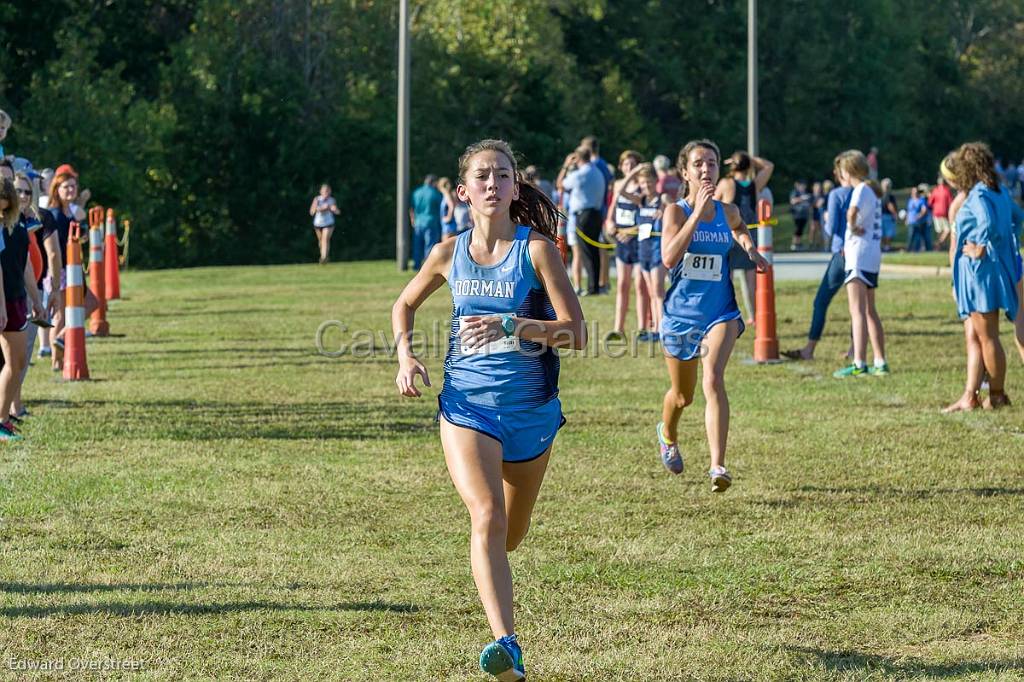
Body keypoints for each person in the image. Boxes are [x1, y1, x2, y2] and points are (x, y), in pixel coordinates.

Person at [392, 139, 585, 681]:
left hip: (531, 412)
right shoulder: (448, 253)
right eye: (482, 176)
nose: (492, 184)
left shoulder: (538, 250)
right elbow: (403, 303)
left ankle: (491, 566)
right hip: (466, 406)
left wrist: (513, 326)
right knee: (487, 515)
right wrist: (406, 355)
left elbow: (577, 332)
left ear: (515, 187)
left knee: (509, 532)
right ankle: (507, 645)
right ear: (463, 191)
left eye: (502, 175)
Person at [656, 139, 769, 491]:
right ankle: (667, 432)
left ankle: (718, 466)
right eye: (699, 164)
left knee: (713, 379)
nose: (706, 170)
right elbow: (669, 258)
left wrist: (750, 249)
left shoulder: (728, 210)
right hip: (679, 316)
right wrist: (695, 213)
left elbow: (739, 228)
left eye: (712, 163)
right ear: (685, 172)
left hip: (720, 311)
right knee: (682, 396)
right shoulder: (675, 212)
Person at [944, 142, 1018, 410]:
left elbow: (986, 222)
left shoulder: (978, 195)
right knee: (984, 335)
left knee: (988, 336)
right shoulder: (999, 191)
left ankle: (997, 395)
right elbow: (1017, 217)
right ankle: (974, 395)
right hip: (986, 271)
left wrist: (981, 247)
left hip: (978, 273)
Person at [783, 156, 854, 361]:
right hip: (861, 255)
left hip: (841, 254)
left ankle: (809, 349)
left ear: (841, 173)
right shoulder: (864, 192)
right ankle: (855, 349)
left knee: (821, 301)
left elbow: (830, 229)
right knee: (857, 307)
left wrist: (824, 218)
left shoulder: (837, 194)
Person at [833, 150, 888, 377]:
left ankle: (859, 362)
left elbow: (852, 212)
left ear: (848, 171)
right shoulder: (872, 191)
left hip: (858, 255)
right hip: (872, 255)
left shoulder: (860, 190)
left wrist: (853, 227)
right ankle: (880, 361)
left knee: (857, 311)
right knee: (869, 311)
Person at [0, 177, 44, 440]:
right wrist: (1, 305)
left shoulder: (19, 226)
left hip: (16, 299)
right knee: (10, 363)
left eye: (5, 208)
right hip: (3, 301)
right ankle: (1, 419)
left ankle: (4, 418)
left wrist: (36, 299)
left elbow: (25, 264)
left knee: (17, 364)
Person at [12, 172, 55, 419]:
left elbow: (31, 263)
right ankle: (10, 409)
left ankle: (13, 406)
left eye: (28, 191)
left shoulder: (32, 221)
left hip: (30, 293)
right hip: (12, 296)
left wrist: (40, 298)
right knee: (14, 357)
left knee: (22, 355)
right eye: (18, 191)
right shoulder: (10, 224)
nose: (24, 196)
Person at [47, 167, 98, 371]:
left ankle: (62, 339)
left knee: (91, 303)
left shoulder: (70, 212)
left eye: (73, 186)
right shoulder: (55, 214)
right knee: (60, 315)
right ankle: (56, 359)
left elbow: (72, 237)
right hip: (60, 270)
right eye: (65, 186)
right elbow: (53, 247)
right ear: (56, 189)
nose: (70, 190)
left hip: (73, 269)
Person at [715, 151, 773, 325]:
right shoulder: (755, 184)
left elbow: (712, 203)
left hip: (729, 234)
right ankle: (754, 316)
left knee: (727, 279)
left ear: (732, 166)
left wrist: (736, 160)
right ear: (748, 166)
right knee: (750, 282)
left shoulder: (726, 183)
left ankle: (725, 315)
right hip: (749, 235)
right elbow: (769, 165)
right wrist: (750, 159)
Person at [604, 151, 650, 339]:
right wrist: (611, 224)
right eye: (626, 165)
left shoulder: (643, 187)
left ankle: (642, 327)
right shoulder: (617, 185)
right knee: (622, 284)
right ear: (621, 166)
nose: (629, 168)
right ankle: (618, 328)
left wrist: (630, 232)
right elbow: (612, 209)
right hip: (621, 240)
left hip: (637, 238)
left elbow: (644, 210)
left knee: (640, 285)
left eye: (633, 165)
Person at [556, 146, 605, 296]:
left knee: (586, 252)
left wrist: (565, 165)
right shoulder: (597, 171)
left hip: (583, 215)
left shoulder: (580, 174)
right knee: (593, 251)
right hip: (596, 213)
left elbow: (560, 184)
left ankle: (591, 287)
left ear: (578, 158)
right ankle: (595, 285)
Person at [635, 164, 666, 341]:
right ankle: (655, 329)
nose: (646, 186)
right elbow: (620, 194)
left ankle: (661, 330)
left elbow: (678, 204)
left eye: (649, 182)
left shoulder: (663, 198)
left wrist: (665, 210)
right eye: (643, 183)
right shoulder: (641, 200)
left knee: (658, 290)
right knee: (650, 291)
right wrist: (634, 172)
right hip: (643, 250)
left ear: (656, 181)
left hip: (657, 250)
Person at [580, 136, 614, 294]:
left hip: (597, 211)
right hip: (602, 210)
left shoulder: (593, 165)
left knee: (597, 249)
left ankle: (601, 283)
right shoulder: (604, 165)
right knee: (600, 249)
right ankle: (603, 282)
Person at [409, 175, 443, 269]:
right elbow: (441, 208)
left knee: (417, 245)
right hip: (431, 222)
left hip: (418, 222)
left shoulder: (416, 192)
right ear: (434, 182)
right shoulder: (435, 193)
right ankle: (428, 266)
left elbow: (412, 208)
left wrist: (412, 219)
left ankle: (416, 265)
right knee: (430, 246)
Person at [309, 183, 339, 264]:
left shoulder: (331, 200)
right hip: (318, 223)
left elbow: (337, 211)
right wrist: (319, 209)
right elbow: (311, 212)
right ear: (321, 192)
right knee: (321, 241)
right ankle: (324, 255)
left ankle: (323, 258)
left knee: (325, 239)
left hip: (329, 222)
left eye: (328, 191)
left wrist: (332, 208)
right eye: (325, 191)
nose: (326, 193)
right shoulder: (317, 199)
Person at [929, 176, 954, 250]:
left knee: (939, 231)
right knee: (947, 230)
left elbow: (930, 202)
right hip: (944, 213)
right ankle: (939, 244)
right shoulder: (947, 190)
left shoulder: (935, 190)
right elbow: (951, 203)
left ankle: (940, 246)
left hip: (936, 213)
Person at [906, 185, 931, 252]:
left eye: (916, 192)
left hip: (919, 222)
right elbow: (909, 211)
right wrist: (907, 219)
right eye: (913, 192)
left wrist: (919, 216)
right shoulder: (910, 200)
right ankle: (908, 250)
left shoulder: (921, 200)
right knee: (910, 236)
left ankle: (918, 250)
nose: (914, 193)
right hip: (911, 222)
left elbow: (924, 210)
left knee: (919, 237)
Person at [789, 180, 812, 250]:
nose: (803, 187)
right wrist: (802, 198)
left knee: (801, 230)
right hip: (797, 214)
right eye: (802, 185)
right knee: (797, 229)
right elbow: (792, 201)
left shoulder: (805, 192)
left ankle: (798, 243)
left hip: (804, 214)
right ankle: (794, 244)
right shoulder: (795, 192)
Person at [879, 178, 899, 252]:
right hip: (887, 216)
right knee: (888, 233)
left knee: (882, 233)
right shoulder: (888, 196)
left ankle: (883, 247)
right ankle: (886, 247)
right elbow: (890, 205)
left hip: (880, 216)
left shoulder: (879, 195)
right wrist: (895, 214)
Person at [438, 177, 459, 242]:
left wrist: (449, 217)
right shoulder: (448, 194)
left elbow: (452, 206)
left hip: (448, 225)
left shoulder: (447, 195)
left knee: (446, 246)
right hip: (449, 225)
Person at [810, 181, 825, 250]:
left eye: (819, 188)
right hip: (814, 214)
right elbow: (813, 205)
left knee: (820, 230)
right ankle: (811, 243)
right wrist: (816, 204)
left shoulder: (822, 196)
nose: (818, 189)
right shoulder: (812, 196)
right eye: (816, 187)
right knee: (813, 229)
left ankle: (820, 244)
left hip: (821, 215)